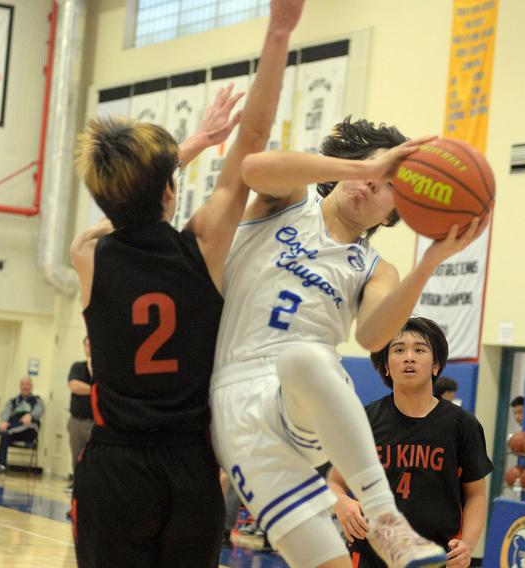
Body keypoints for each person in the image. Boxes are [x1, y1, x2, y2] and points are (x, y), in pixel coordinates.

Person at [68, 2, 303, 566]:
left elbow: (112, 210)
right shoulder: (201, 247)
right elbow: (253, 138)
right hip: (189, 464)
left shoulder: (88, 254)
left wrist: (184, 149)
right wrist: (278, 32)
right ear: (170, 191)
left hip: (115, 464)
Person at [209, 114, 489, 565]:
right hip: (236, 408)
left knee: (303, 357)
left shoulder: (375, 268)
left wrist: (432, 260)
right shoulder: (289, 202)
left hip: (299, 397)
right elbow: (253, 169)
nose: (373, 186)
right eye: (372, 172)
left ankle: (385, 519)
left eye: (387, 188)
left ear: (394, 215)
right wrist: (363, 167)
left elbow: (374, 333)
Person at [328, 317, 493, 568]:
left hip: (437, 556)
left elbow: (476, 496)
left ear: (436, 365)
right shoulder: (364, 420)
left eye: (419, 349)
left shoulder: (462, 425)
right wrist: (341, 501)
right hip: (371, 555)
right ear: (385, 365)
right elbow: (334, 483)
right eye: (398, 349)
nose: (409, 357)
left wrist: (468, 544)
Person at [0, 377, 44, 476]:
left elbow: (38, 412)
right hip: (14, 428)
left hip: (29, 430)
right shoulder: (13, 400)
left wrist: (31, 415)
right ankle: (1, 465)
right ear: (20, 386)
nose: (25, 386)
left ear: (31, 386)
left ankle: (3, 429)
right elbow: (6, 412)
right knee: (5, 434)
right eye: (23, 384)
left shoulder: (37, 400)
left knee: (23, 424)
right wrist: (4, 422)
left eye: (27, 384)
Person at [65, 336, 94, 492]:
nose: (90, 348)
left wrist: (88, 389)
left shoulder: (103, 369)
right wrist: (95, 390)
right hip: (76, 421)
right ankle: (77, 486)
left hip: (95, 423)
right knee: (77, 456)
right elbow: (74, 385)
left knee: (94, 457)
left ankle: (92, 486)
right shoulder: (77, 367)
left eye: (93, 344)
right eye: (87, 345)